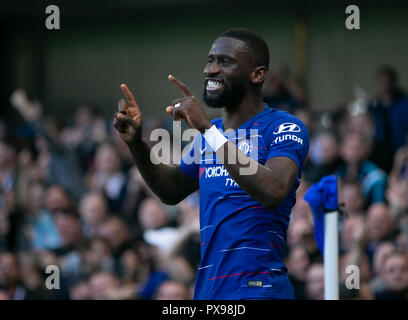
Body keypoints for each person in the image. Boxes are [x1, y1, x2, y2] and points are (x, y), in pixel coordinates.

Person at [113, 28, 309, 300]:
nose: (211, 70)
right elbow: (171, 189)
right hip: (209, 292)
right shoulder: (211, 135)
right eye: (210, 60)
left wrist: (207, 130)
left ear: (258, 74)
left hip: (259, 291)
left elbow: (274, 190)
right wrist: (136, 143)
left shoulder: (283, 127)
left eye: (225, 62)